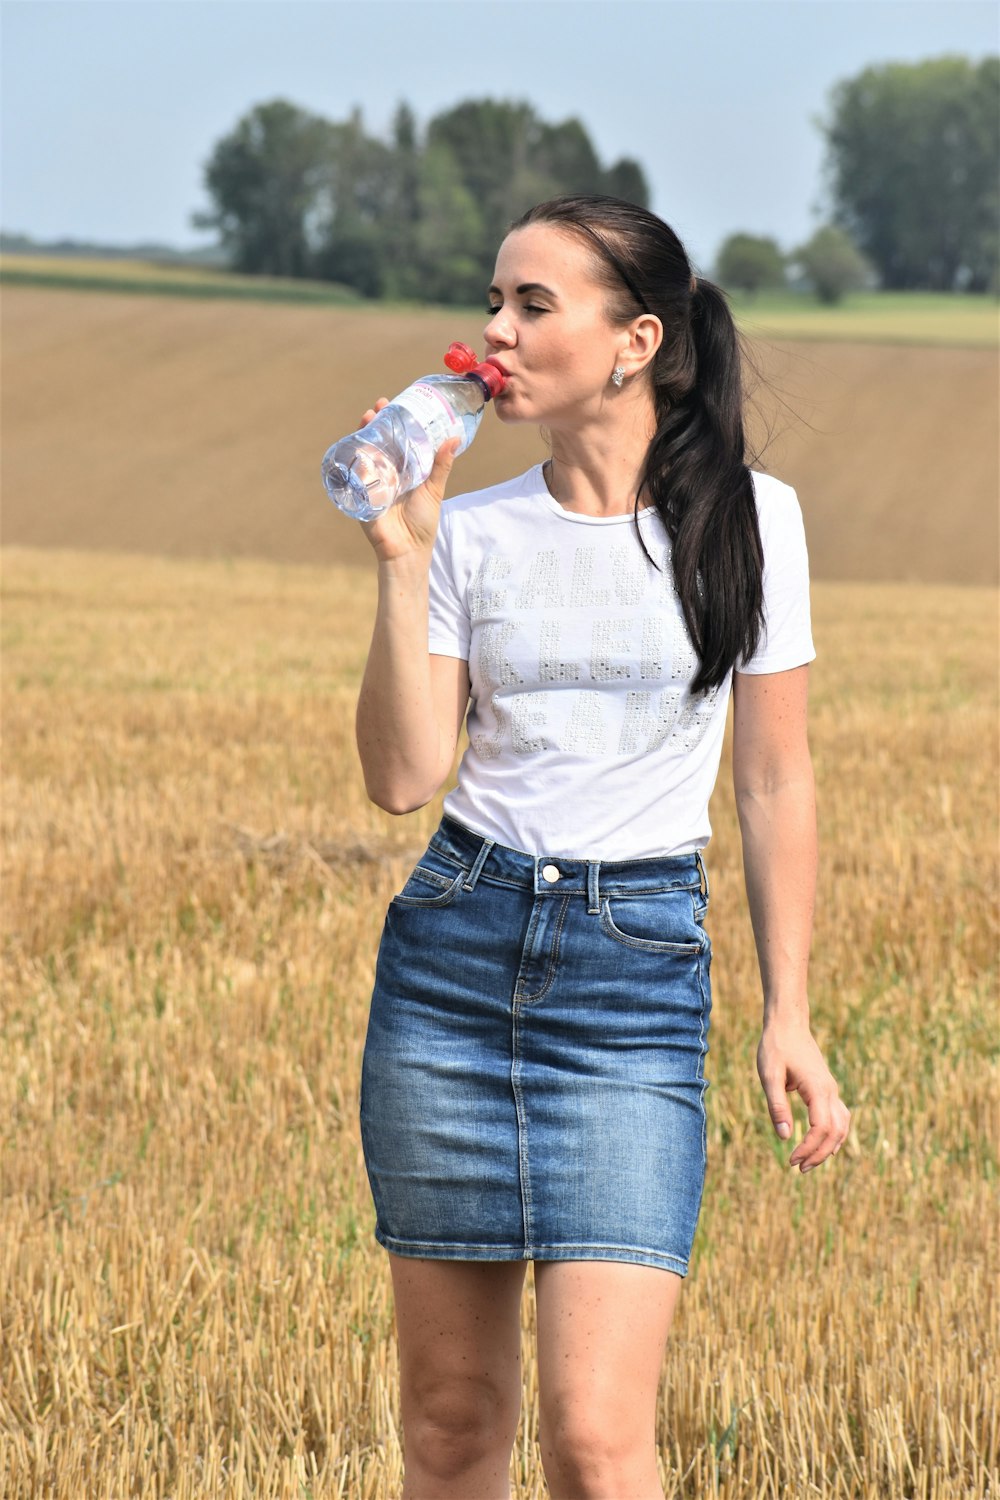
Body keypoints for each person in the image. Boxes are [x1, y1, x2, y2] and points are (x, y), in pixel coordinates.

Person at [353, 194, 851, 1500]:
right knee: (453, 1430)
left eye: (532, 304)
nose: (492, 333)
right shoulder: (471, 531)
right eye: (493, 301)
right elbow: (404, 778)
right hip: (452, 963)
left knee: (596, 1440)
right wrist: (402, 561)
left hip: (633, 983)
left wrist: (787, 1009)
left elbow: (774, 776)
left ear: (635, 341)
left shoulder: (755, 521)